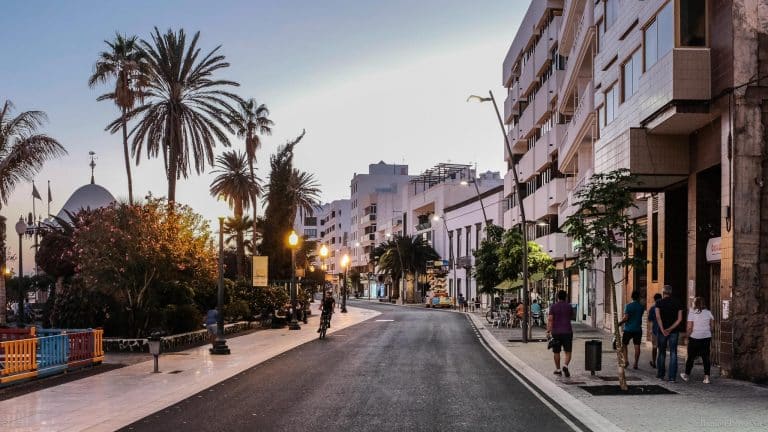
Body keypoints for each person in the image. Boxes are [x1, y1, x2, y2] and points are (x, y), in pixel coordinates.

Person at [681, 297, 714, 384]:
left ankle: (686, 375)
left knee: (691, 357)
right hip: (706, 337)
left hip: (694, 337)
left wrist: (687, 336)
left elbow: (689, 327)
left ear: (695, 304)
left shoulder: (692, 313)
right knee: (706, 357)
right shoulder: (708, 312)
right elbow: (712, 327)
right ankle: (707, 378)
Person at [655, 285, 684, 382]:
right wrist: (670, 329)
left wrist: (663, 329)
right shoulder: (678, 303)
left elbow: (658, 317)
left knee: (662, 352)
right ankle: (672, 377)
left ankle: (660, 375)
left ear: (663, 292)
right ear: (671, 292)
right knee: (673, 353)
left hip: (662, 331)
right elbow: (679, 319)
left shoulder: (658, 303)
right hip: (674, 331)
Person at [547, 290, 573, 377]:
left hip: (556, 332)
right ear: (565, 297)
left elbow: (550, 319)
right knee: (568, 351)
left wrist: (548, 331)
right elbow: (572, 317)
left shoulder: (553, 307)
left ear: (557, 297)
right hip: (567, 332)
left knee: (556, 351)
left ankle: (558, 370)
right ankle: (565, 365)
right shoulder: (569, 306)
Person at [619, 290, 645, 369]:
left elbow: (626, 318)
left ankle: (626, 360)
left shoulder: (628, 306)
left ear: (632, 297)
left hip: (628, 329)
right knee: (637, 346)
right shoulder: (641, 307)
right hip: (638, 329)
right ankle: (636, 364)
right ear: (639, 297)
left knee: (624, 344)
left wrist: (620, 323)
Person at [647, 293, 663, 368]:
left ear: (654, 299)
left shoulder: (652, 308)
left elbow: (650, 320)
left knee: (654, 347)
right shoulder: (664, 307)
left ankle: (654, 362)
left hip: (655, 330)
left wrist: (650, 330)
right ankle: (661, 363)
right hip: (664, 330)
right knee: (661, 348)